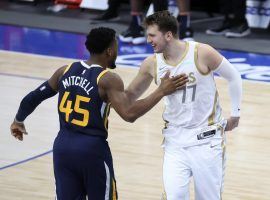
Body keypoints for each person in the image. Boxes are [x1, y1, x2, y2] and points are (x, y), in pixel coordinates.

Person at [10, 27, 188, 200]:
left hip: (62, 148)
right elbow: (129, 114)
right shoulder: (107, 79)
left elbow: (33, 97)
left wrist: (18, 120)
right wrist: (161, 91)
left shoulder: (64, 71)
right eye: (116, 48)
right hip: (91, 150)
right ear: (109, 51)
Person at [125, 11, 242, 199]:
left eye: (152, 35)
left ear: (168, 35)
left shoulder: (201, 52)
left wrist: (235, 114)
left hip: (207, 141)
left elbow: (234, 76)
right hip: (174, 141)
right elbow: (129, 96)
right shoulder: (151, 64)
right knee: (174, 196)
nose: (148, 40)